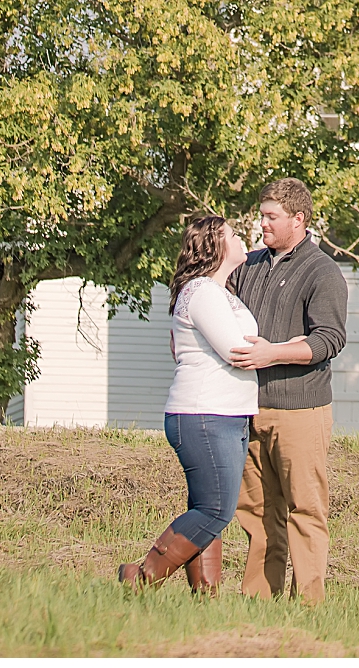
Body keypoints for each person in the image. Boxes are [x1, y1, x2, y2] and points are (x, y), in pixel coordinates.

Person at [118, 214, 260, 595]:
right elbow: (235, 350)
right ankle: (142, 576)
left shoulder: (220, 292)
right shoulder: (201, 291)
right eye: (233, 233)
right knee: (216, 510)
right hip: (204, 414)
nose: (242, 236)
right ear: (216, 245)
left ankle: (206, 595)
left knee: (206, 506)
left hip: (225, 414)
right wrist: (274, 351)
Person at [226, 178, 348, 606]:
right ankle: (258, 602)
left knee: (305, 510)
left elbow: (329, 339)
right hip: (248, 409)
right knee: (257, 513)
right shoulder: (250, 267)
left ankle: (310, 605)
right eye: (262, 215)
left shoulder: (323, 271)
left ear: (299, 219)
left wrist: (271, 354)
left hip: (301, 411)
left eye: (271, 217)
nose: (262, 224)